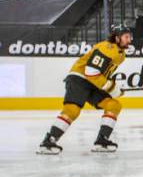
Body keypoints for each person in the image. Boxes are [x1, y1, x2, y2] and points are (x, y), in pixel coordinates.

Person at [37, 25, 132, 154]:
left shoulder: (121, 54)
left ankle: (102, 141)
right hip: (80, 79)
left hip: (93, 83)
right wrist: (112, 89)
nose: (129, 39)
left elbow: (100, 75)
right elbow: (91, 72)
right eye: (126, 37)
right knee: (72, 111)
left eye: (130, 37)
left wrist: (113, 88)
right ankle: (49, 141)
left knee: (113, 105)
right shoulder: (106, 48)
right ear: (117, 38)